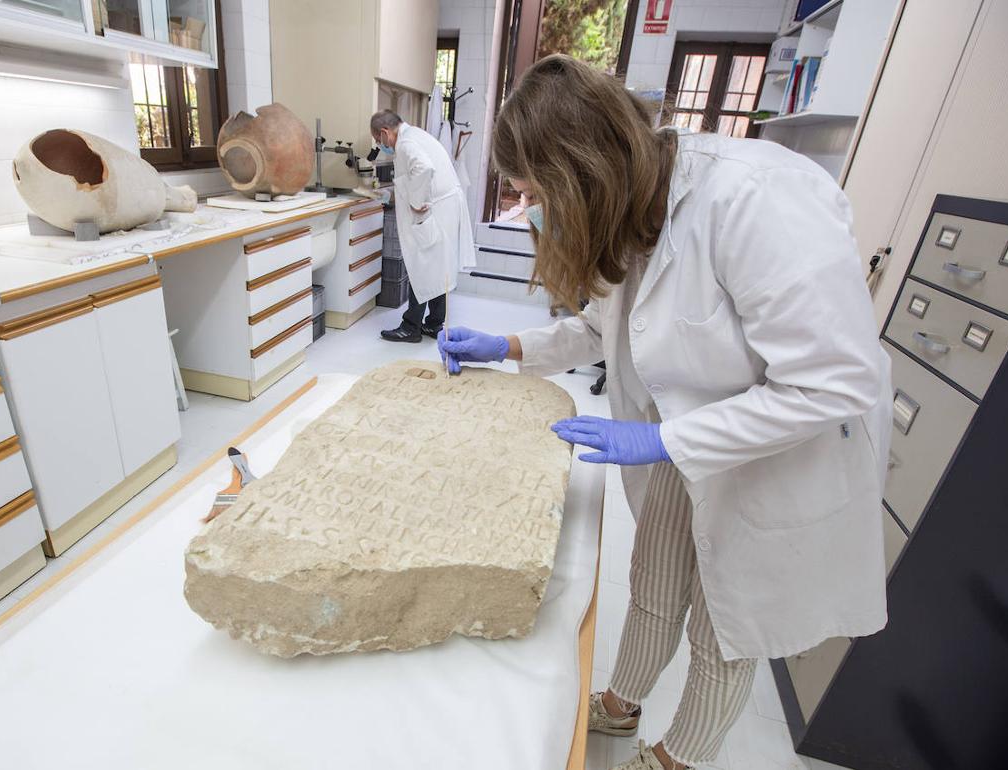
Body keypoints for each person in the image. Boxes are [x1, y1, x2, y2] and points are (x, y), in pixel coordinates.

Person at [438, 56, 891, 770]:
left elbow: (833, 382)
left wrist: (663, 436)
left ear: (580, 174)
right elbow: (597, 327)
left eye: (534, 193)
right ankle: (618, 710)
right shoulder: (633, 204)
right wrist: (508, 344)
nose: (531, 212)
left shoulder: (753, 199)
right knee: (651, 579)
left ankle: (676, 759)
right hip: (688, 439)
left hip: (776, 452)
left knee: (724, 629)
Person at [371, 109, 476, 342]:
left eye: (379, 141)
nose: (381, 146)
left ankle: (411, 327)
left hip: (436, 212)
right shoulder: (415, 135)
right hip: (446, 209)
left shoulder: (406, 144)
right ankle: (434, 324)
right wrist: (391, 195)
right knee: (438, 268)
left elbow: (424, 168)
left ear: (385, 132)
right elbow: (414, 177)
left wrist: (417, 203)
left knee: (423, 267)